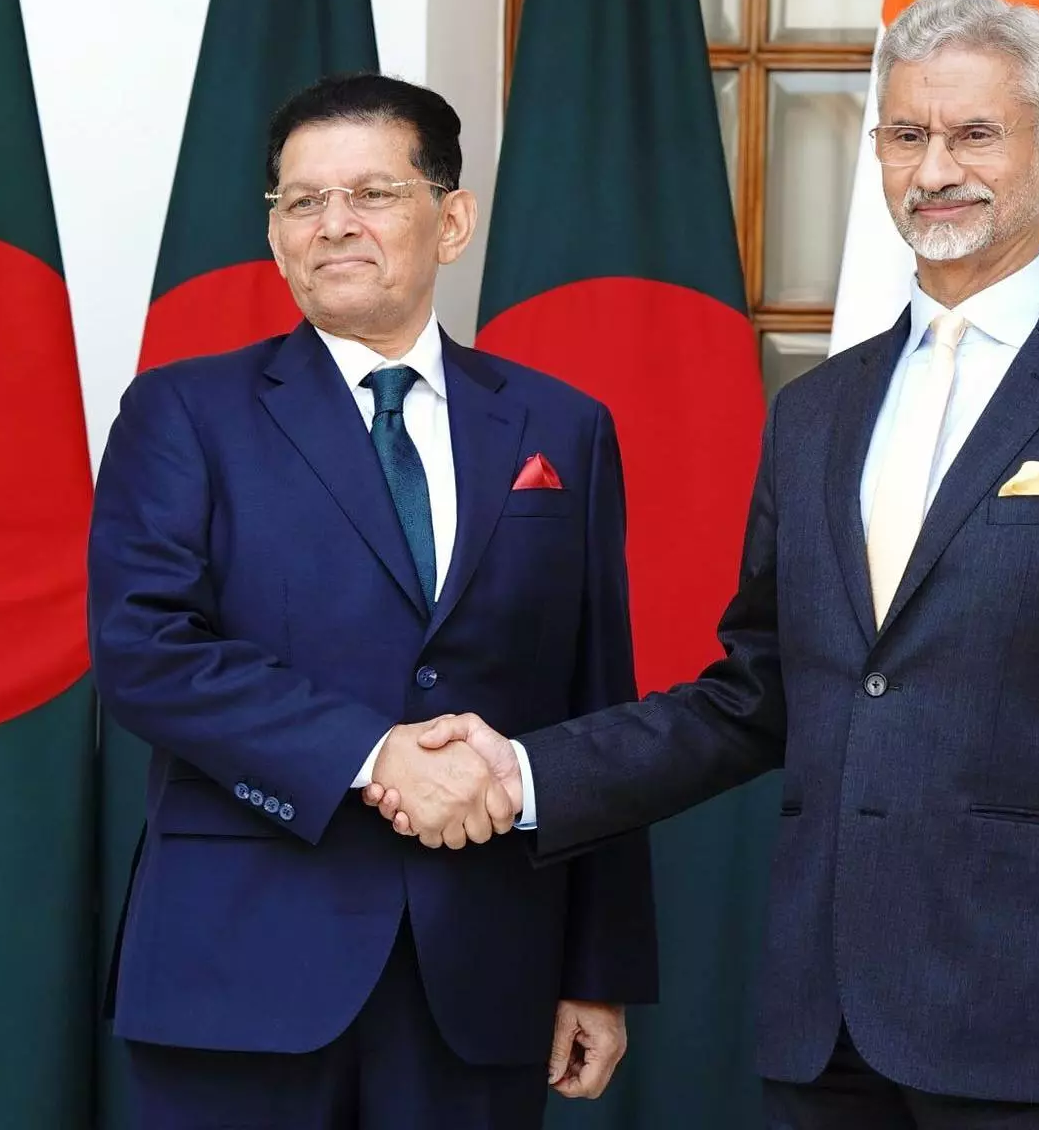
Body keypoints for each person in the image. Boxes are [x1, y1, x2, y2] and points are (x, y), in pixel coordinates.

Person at [377, 0, 1039, 1130]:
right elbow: (757, 696)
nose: (933, 169)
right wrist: (521, 774)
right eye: (905, 135)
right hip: (822, 1022)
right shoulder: (816, 413)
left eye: (973, 134)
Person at [88, 72, 656, 1130]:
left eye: (373, 193)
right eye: (302, 200)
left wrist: (598, 966)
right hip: (239, 969)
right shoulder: (182, 411)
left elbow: (595, 703)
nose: (334, 224)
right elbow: (147, 652)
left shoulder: (561, 426)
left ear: (452, 220)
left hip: (484, 970)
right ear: (276, 236)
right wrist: (373, 754)